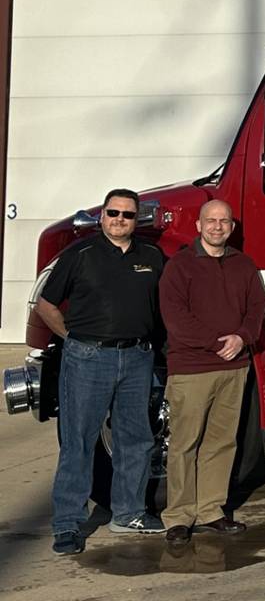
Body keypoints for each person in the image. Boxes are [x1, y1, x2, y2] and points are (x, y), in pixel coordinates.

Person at [36, 188, 166, 553]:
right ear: (102, 216)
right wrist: (73, 339)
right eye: (113, 213)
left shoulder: (153, 256)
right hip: (88, 358)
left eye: (127, 214)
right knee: (78, 441)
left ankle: (128, 513)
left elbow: (163, 307)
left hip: (137, 358)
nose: (120, 220)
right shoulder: (80, 254)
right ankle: (67, 523)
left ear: (136, 219)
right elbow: (46, 305)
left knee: (136, 439)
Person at [158, 199, 265, 546]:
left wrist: (242, 338)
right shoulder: (180, 266)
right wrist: (215, 343)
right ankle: (178, 516)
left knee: (221, 442)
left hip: (234, 367)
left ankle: (210, 510)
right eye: (211, 220)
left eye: (224, 221)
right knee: (184, 443)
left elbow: (256, 309)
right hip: (192, 368)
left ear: (231, 227)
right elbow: (175, 317)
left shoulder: (245, 265)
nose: (217, 226)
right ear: (199, 226)